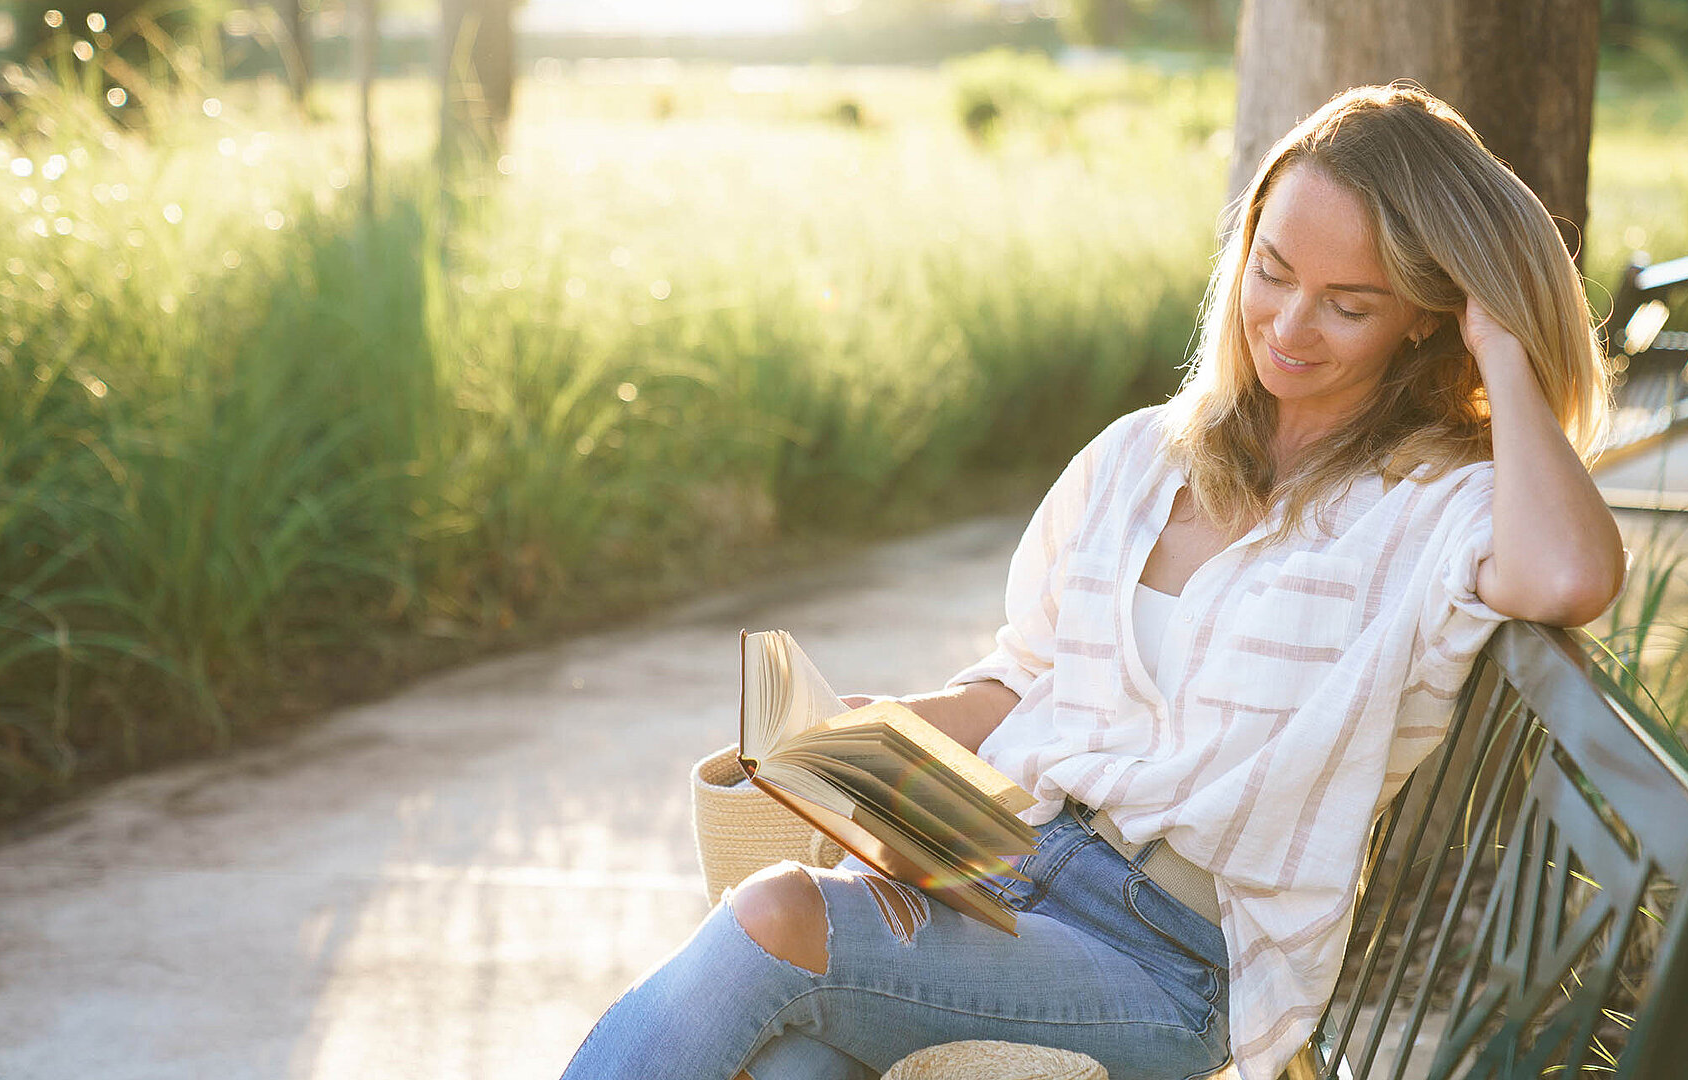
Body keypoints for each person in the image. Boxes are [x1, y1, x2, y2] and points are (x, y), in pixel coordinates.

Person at [556, 81, 1624, 1080]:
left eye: (1350, 304)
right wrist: (878, 733)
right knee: (794, 1061)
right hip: (999, 871)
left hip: (1170, 965)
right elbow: (1024, 678)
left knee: (778, 916)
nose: (1290, 327)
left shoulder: (1430, 511)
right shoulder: (1137, 460)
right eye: (1273, 272)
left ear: (1425, 317)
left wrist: (1505, 352)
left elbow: (1572, 575)